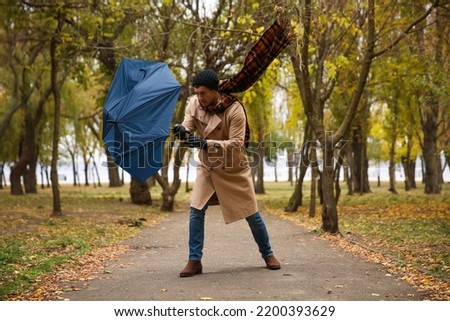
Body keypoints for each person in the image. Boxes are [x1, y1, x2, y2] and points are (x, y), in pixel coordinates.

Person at [174, 69, 281, 277]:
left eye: (203, 93)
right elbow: (188, 125)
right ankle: (194, 261)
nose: (199, 97)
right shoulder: (194, 104)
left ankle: (268, 254)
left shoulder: (235, 110)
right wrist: (182, 131)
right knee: (196, 210)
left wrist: (206, 143)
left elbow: (237, 143)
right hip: (208, 167)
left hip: (233, 168)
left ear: (216, 91)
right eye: (197, 93)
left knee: (251, 213)